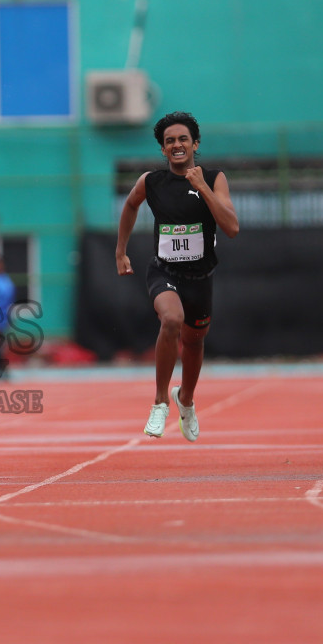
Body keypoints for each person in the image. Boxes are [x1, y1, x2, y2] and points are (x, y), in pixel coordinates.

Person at [115, 111, 239, 440]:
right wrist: (120, 250)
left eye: (183, 139)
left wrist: (201, 186)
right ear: (163, 150)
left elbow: (231, 227)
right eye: (169, 141)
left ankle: (185, 400)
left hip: (200, 277)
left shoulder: (214, 178)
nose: (177, 144)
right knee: (171, 320)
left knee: (195, 342)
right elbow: (130, 205)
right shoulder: (151, 182)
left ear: (195, 144)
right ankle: (159, 403)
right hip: (164, 270)